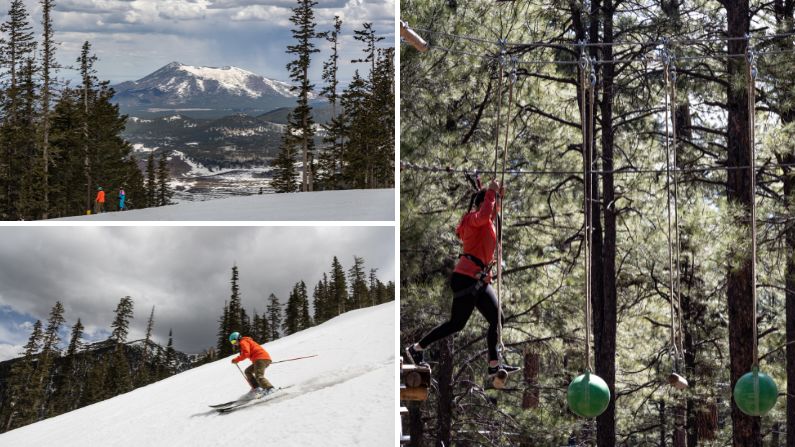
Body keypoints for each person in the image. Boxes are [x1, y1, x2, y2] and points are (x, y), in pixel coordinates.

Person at [406, 178, 519, 377]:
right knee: (456, 324)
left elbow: (491, 217)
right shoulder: (472, 219)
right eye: (492, 204)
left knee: (497, 318)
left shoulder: (486, 223)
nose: (495, 208)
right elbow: (485, 215)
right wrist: (491, 193)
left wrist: (498, 196)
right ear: (483, 203)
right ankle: (416, 348)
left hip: (479, 279)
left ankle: (494, 364)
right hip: (466, 277)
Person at [229, 331, 275, 397]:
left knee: (258, 375)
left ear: (238, 338)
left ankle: (270, 388)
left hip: (260, 358)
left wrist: (236, 359)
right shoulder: (245, 341)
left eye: (234, 341)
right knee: (248, 371)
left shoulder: (243, 342)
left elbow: (246, 353)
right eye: (232, 343)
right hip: (261, 359)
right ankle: (256, 388)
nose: (234, 344)